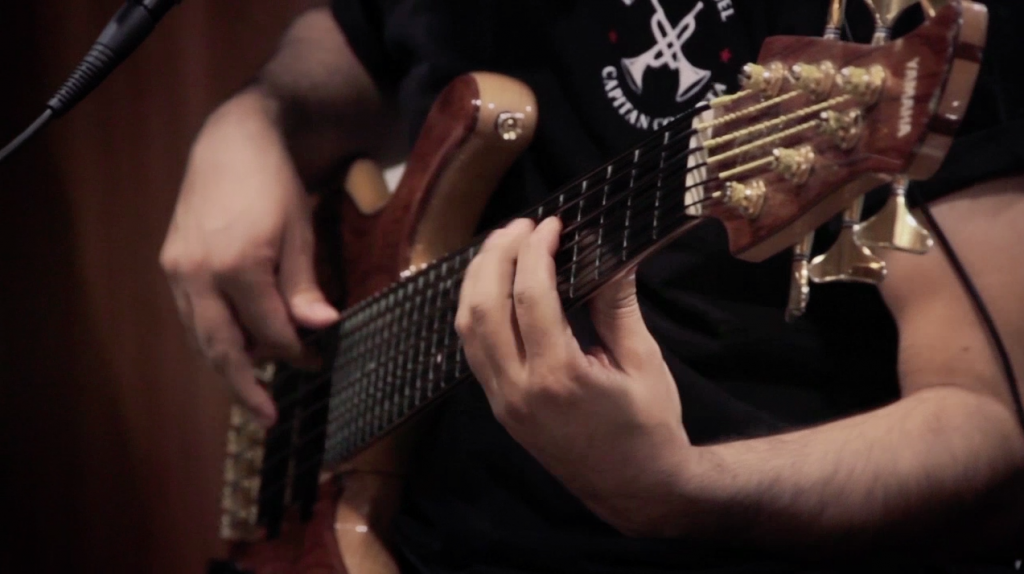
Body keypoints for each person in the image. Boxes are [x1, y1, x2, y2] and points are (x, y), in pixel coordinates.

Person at [160, 0, 1024, 571]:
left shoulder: (882, 36)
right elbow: (352, 34)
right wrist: (254, 118)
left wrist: (688, 490)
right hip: (402, 536)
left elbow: (986, 423)